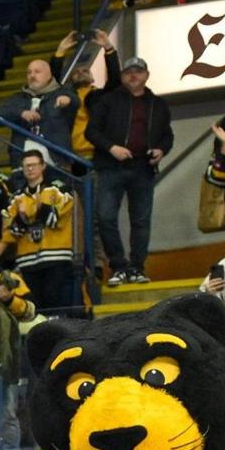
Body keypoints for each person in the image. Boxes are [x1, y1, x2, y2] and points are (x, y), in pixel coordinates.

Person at [84, 55, 172, 285]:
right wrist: (111, 148)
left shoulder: (158, 104)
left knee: (141, 220)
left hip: (143, 167)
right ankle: (119, 267)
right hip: (110, 167)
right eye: (128, 72)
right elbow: (91, 132)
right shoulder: (108, 100)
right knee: (105, 218)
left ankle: (137, 268)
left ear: (146, 75)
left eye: (138, 71)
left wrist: (162, 150)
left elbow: (167, 135)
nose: (133, 75)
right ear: (122, 76)